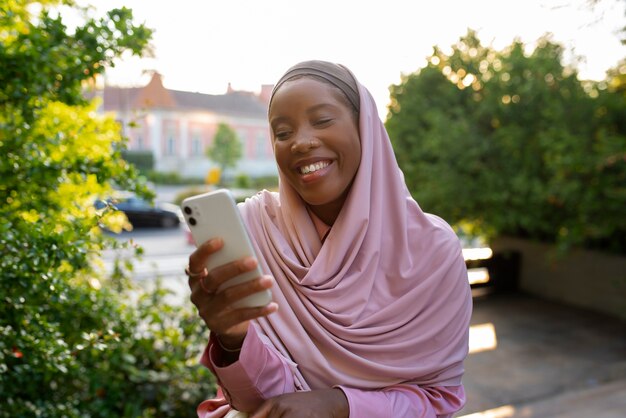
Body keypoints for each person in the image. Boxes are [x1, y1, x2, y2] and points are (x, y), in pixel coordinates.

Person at [186, 60, 472, 418]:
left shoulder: (434, 250)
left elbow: (438, 399)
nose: (301, 142)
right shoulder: (255, 232)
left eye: (322, 120)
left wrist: (341, 405)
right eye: (282, 132)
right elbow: (256, 405)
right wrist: (232, 338)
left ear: (364, 128)